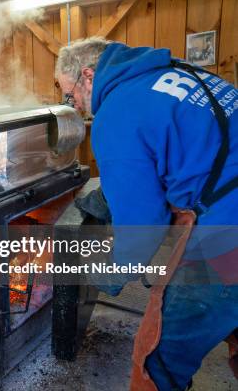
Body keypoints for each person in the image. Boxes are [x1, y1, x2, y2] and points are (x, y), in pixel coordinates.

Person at [55, 37, 238, 390]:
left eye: (69, 94)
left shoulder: (116, 113)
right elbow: (175, 154)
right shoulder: (177, 72)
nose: (74, 105)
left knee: (159, 354)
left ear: (88, 76)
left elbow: (143, 229)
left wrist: (111, 273)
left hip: (227, 235)